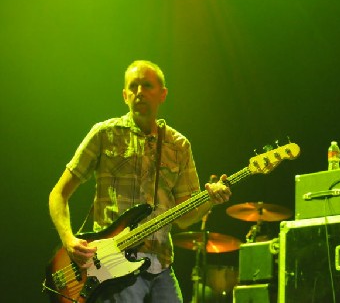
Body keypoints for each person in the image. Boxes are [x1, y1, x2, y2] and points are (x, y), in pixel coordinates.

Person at [48, 60, 232, 302]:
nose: (139, 92)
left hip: (162, 265)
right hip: (112, 265)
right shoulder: (104, 134)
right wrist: (69, 240)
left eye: (147, 86)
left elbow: (186, 218)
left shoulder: (178, 146)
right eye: (133, 87)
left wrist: (210, 200)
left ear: (163, 94)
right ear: (125, 95)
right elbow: (58, 194)